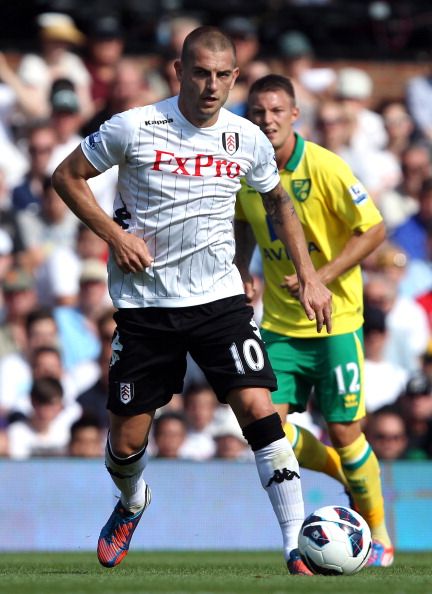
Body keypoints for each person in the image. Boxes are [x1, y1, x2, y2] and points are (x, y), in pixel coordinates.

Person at [51, 26, 332, 575]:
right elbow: (67, 176)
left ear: (234, 77)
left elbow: (278, 203)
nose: (211, 85)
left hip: (219, 302)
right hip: (145, 306)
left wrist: (309, 274)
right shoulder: (135, 126)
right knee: (126, 438)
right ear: (179, 71)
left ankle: (295, 544)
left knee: (258, 411)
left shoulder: (246, 138)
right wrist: (115, 236)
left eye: (223, 75)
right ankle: (132, 502)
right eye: (200, 72)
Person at [235, 74, 394, 567]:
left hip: (336, 322)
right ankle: (350, 482)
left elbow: (374, 230)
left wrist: (318, 276)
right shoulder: (246, 172)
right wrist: (242, 269)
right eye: (258, 112)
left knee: (347, 431)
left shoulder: (325, 166)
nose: (267, 121)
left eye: (277, 111)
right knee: (266, 428)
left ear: (294, 114)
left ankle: (380, 536)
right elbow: (242, 221)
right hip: (281, 325)